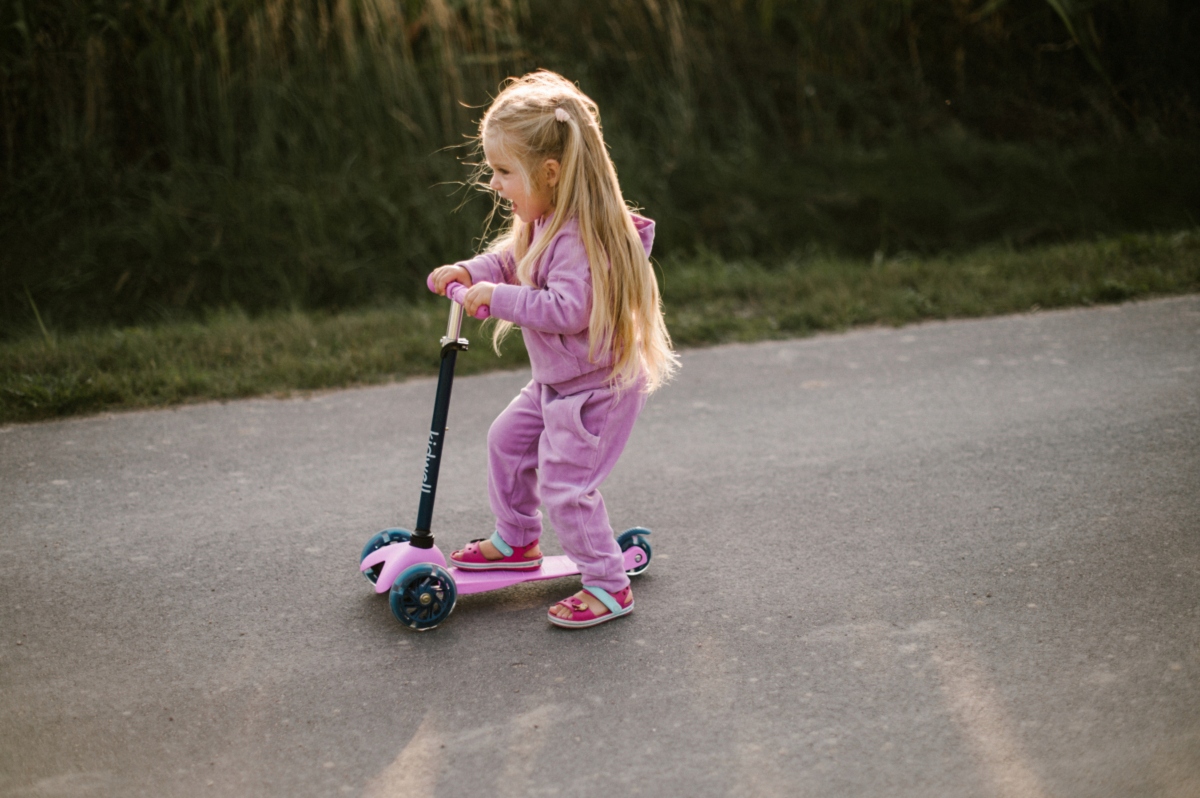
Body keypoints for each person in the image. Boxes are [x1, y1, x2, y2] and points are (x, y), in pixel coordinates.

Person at [428, 71, 678, 628]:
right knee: (506, 443)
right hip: (556, 383)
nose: (494, 184)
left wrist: (499, 298)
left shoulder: (582, 239)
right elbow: (511, 259)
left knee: (568, 489)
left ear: (550, 172)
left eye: (502, 172)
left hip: (595, 390)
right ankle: (518, 540)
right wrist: (472, 271)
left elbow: (569, 308)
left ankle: (609, 584)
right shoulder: (543, 220)